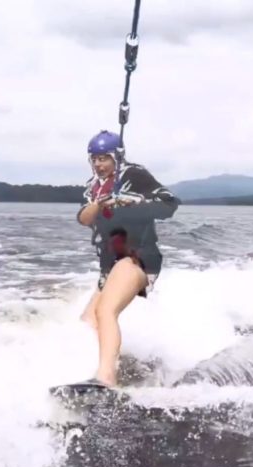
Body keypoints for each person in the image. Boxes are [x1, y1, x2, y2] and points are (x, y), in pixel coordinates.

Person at [76, 130, 180, 388]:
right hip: (111, 266)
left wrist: (133, 202)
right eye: (94, 159)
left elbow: (169, 205)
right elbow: (84, 218)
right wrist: (101, 203)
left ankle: (106, 378)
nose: (98, 164)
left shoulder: (134, 175)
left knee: (105, 311)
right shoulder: (93, 187)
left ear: (117, 156)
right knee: (88, 321)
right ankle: (113, 366)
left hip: (137, 258)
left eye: (104, 158)